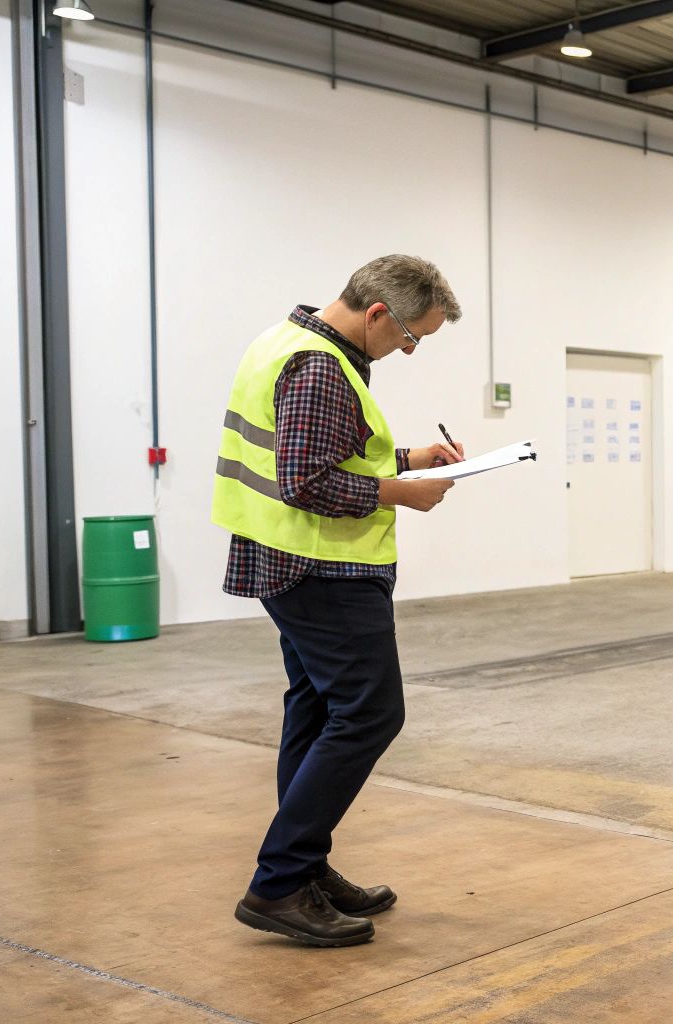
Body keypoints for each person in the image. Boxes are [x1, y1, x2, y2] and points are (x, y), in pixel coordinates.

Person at [212, 254, 464, 947]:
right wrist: (401, 495)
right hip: (320, 563)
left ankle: (305, 868)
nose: (408, 351)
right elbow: (305, 482)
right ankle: (279, 882)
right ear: (379, 313)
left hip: (291, 560)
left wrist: (408, 459)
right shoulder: (321, 367)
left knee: (318, 707)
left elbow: (329, 454)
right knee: (371, 712)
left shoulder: (287, 341)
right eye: (412, 338)